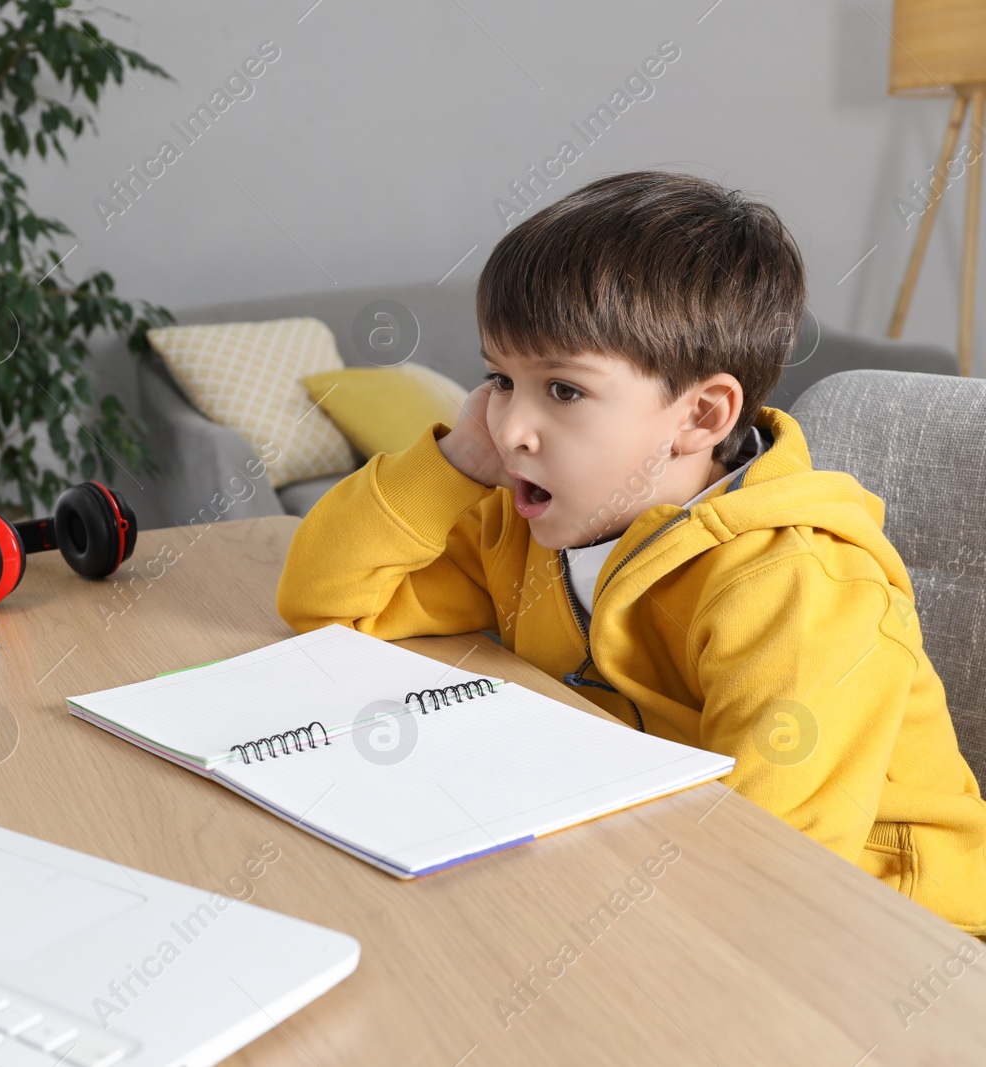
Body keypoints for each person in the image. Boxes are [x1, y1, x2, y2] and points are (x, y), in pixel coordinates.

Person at [276, 170, 986, 933]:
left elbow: (772, 872)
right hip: (659, 856)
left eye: (564, 391)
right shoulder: (527, 523)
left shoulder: (796, 585)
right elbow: (328, 601)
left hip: (897, 931)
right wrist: (458, 461)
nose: (511, 424)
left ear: (702, 414)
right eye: (500, 379)